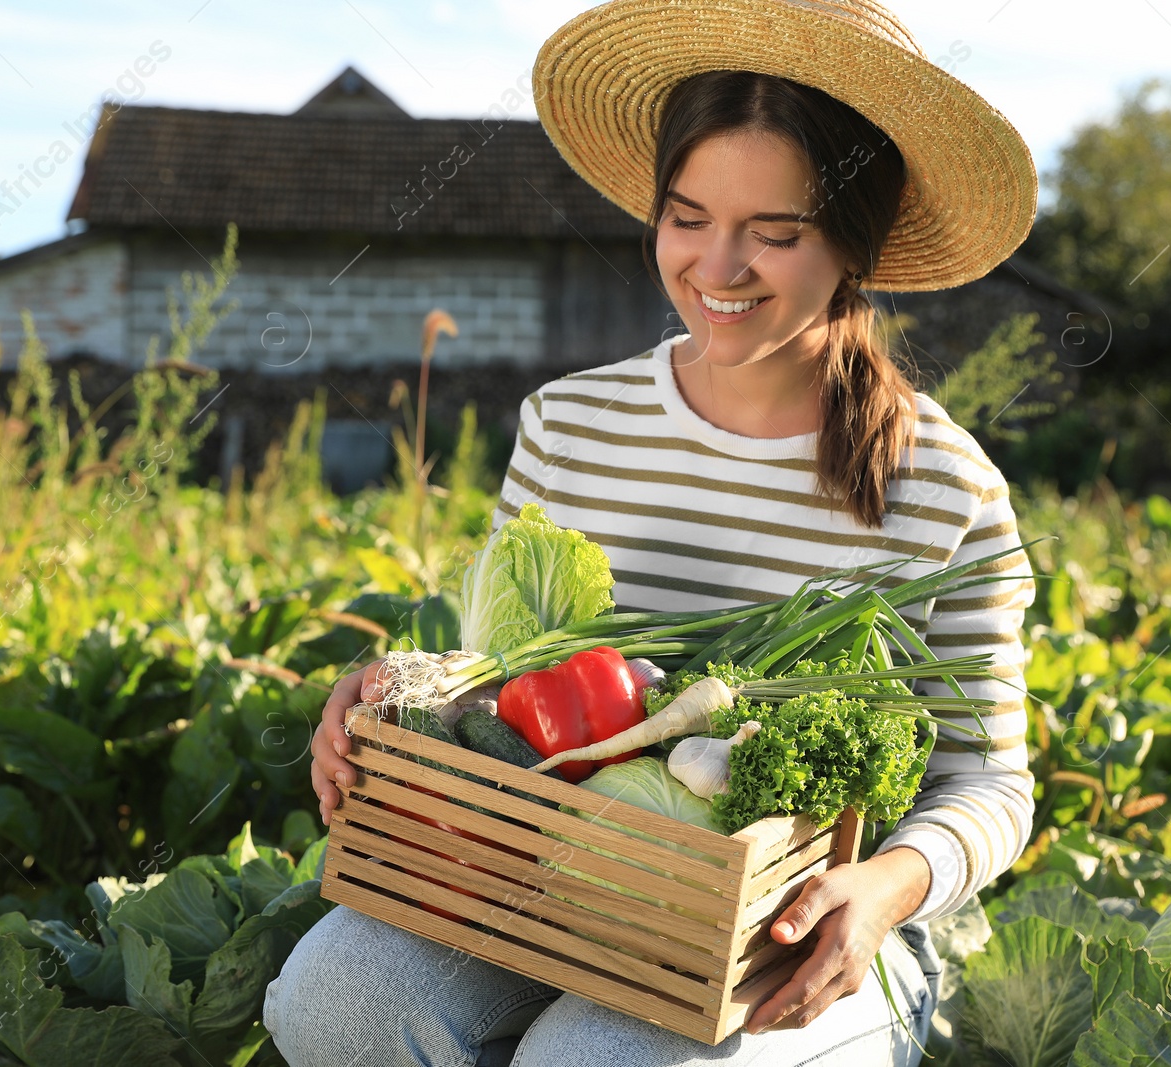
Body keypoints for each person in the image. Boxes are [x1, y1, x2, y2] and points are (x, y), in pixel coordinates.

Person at [267, 1, 1041, 1063]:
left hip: (797, 931)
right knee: (335, 1000)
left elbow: (990, 781)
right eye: (687, 218)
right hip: (548, 869)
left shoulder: (945, 484)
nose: (717, 270)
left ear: (854, 244)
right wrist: (402, 689)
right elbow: (505, 669)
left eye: (775, 233)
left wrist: (877, 888)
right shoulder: (572, 419)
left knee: (597, 1057)